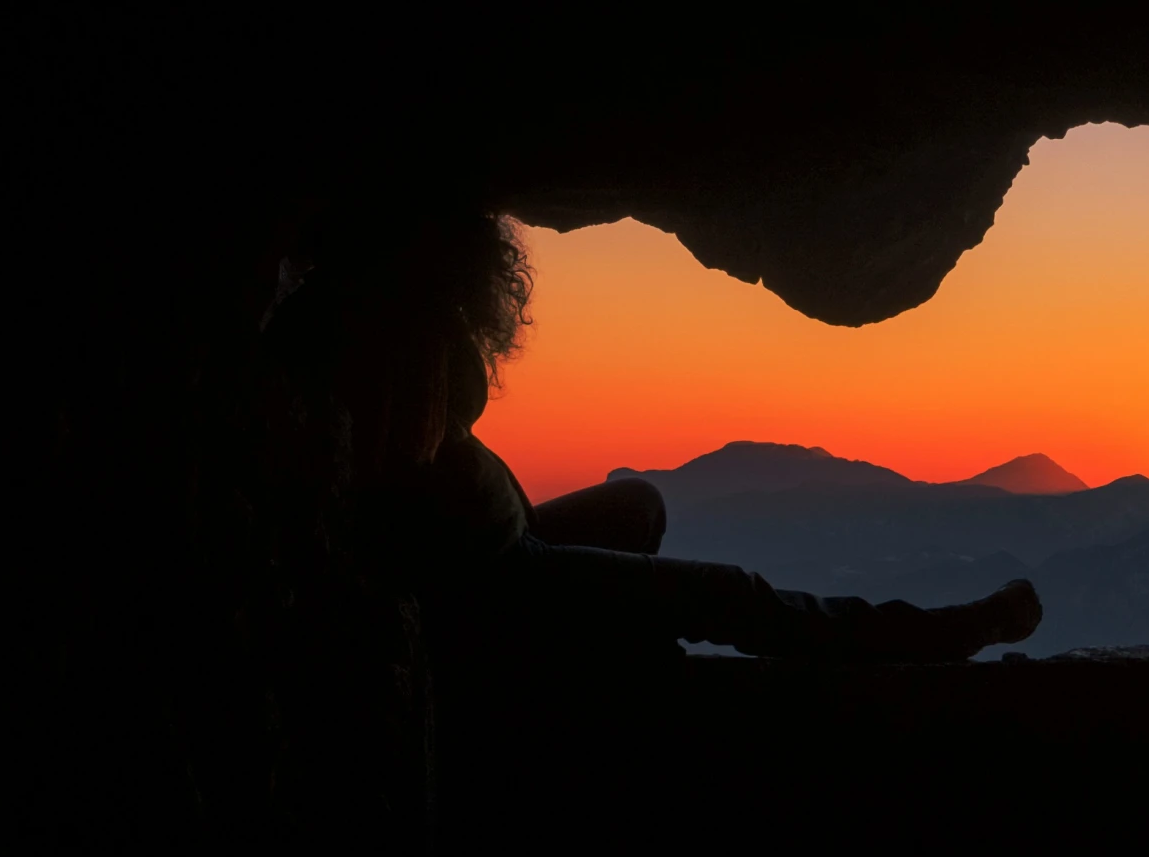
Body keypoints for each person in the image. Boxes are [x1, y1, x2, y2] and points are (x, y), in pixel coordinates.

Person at [269, 208, 1042, 663]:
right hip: (496, 572)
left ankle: (600, 635)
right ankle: (941, 634)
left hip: (510, 533)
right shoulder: (373, 341)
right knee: (731, 594)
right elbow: (384, 487)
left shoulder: (392, 320)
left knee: (639, 504)